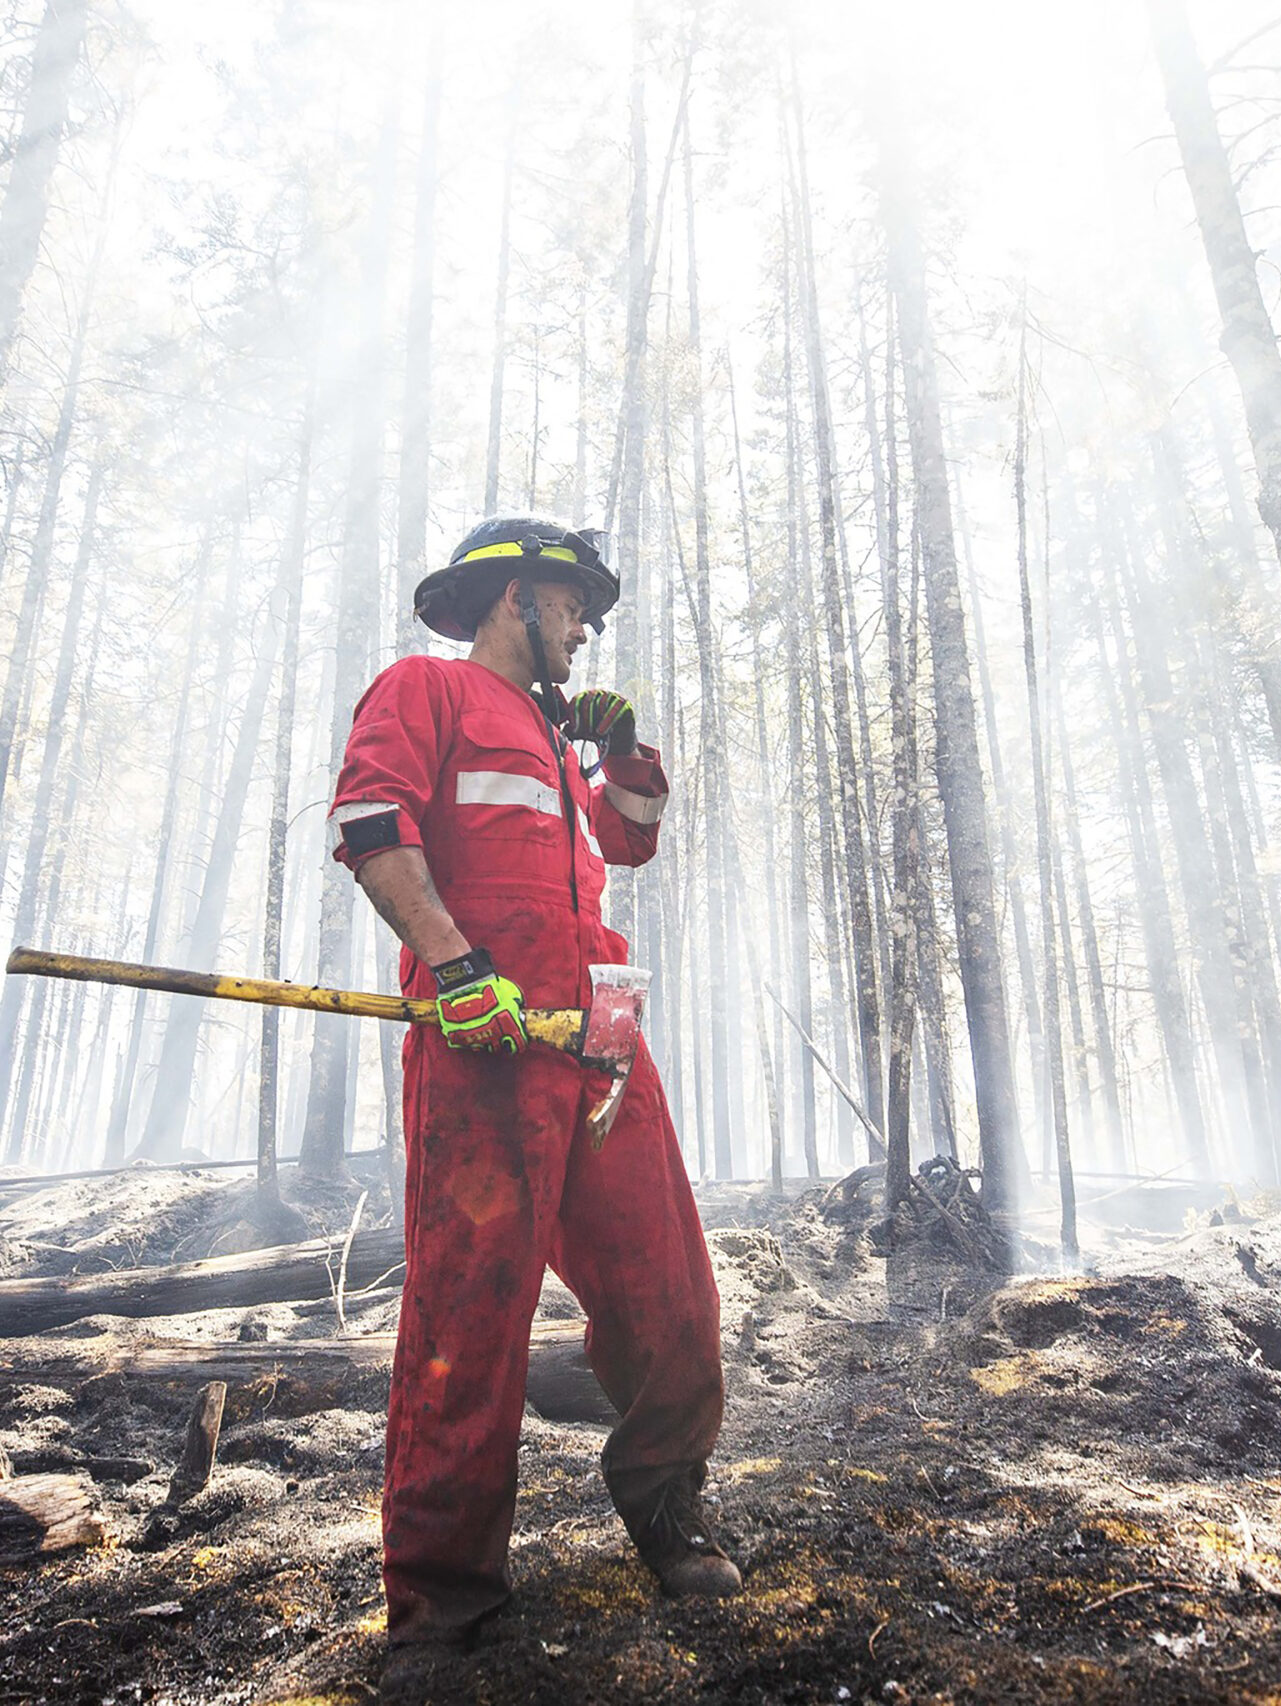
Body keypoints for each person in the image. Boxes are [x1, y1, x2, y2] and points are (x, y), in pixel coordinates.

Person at [328, 515, 737, 1672]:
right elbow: (369, 823)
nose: (584, 629)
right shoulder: (427, 688)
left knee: (672, 1291)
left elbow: (635, 842)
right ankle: (444, 1600)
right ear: (513, 595)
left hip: (599, 1036)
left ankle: (664, 1500)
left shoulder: (562, 743)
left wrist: (623, 750)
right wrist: (454, 965)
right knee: (469, 1317)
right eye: (572, 607)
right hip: (484, 1037)